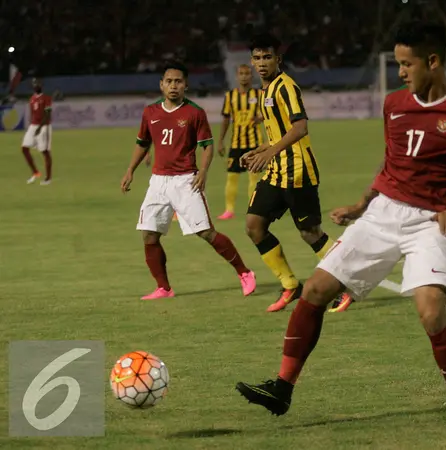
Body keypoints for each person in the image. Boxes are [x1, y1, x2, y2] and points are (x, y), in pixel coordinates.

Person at [235, 22, 446, 431]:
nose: (401, 72)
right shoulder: (394, 103)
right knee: (316, 289)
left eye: (407, 64)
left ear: (433, 61)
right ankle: (282, 388)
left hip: (429, 222)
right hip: (382, 212)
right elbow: (391, 162)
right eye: (398, 64)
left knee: (431, 314)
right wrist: (362, 203)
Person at [120, 61, 257, 300]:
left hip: (186, 181)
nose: (174, 86)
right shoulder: (150, 112)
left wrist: (203, 171)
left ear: (185, 85)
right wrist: (130, 170)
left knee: (206, 232)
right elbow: (143, 142)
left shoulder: (194, 112)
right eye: (169, 81)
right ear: (161, 84)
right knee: (149, 235)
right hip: (158, 182)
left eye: (178, 82)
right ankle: (164, 288)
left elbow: (207, 145)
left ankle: (244, 272)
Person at [240, 32, 353, 313]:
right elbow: (280, 133)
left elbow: (300, 127)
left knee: (310, 233)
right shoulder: (265, 91)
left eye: (267, 57)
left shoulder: (285, 87)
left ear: (278, 59)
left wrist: (269, 152)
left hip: (298, 171)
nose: (262, 62)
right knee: (254, 226)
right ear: (251, 62)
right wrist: (259, 150)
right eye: (257, 57)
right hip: (277, 172)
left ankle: (345, 286)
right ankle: (290, 285)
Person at [216, 64, 263, 220]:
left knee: (254, 178)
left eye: (247, 73)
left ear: (251, 76)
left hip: (254, 144)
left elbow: (269, 112)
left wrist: (261, 117)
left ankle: (253, 208)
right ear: (237, 76)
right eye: (241, 73)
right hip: (236, 144)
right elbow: (225, 119)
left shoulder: (259, 94)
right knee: (232, 177)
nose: (244, 76)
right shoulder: (230, 96)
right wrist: (221, 141)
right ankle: (229, 210)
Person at [21, 78, 53, 185]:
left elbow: (48, 113)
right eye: (34, 84)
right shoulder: (32, 99)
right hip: (33, 125)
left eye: (38, 84)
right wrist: (32, 126)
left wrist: (40, 127)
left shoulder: (47, 98)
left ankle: (48, 178)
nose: (36, 86)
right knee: (24, 148)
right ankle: (35, 172)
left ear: (41, 86)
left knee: (45, 151)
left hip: (44, 126)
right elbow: (32, 113)